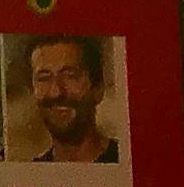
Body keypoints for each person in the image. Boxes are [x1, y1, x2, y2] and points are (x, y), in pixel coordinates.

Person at [24, 35, 119, 164]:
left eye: (70, 76)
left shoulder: (123, 161)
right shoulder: (31, 175)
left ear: (98, 89)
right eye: (44, 78)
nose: (56, 92)